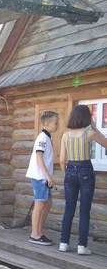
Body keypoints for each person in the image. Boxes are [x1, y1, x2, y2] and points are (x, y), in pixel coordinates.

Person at [59, 104, 107, 255]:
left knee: (69, 208)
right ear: (87, 118)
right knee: (85, 209)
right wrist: (94, 126)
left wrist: (66, 174)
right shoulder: (89, 134)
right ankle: (81, 246)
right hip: (86, 171)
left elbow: (61, 160)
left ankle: (63, 243)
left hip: (70, 171)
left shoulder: (65, 135)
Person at [26, 110, 59, 245]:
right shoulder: (42, 138)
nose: (57, 125)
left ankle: (39, 231)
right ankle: (35, 234)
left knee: (48, 203)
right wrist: (47, 176)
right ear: (47, 124)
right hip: (40, 177)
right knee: (39, 204)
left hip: (44, 177)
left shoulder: (47, 137)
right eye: (55, 123)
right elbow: (39, 157)